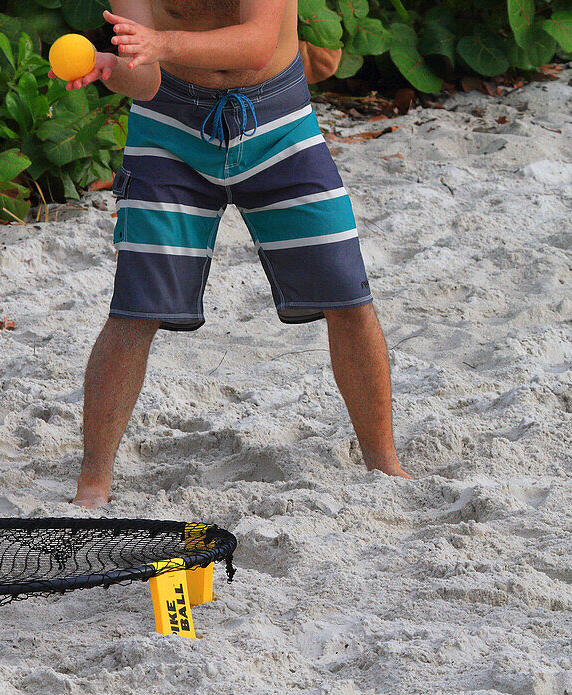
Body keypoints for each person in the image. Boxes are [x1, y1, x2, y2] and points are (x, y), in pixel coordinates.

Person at [55, 0, 410, 509]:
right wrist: (117, 70)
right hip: (168, 127)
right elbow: (147, 77)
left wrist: (160, 44)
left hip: (279, 120)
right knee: (136, 308)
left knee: (346, 294)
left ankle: (384, 463)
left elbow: (257, 43)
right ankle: (93, 482)